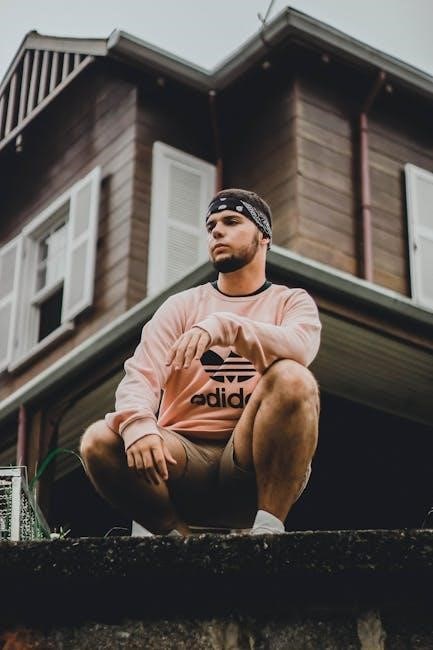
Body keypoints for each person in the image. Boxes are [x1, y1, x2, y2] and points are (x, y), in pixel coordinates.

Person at [80, 188, 321, 536]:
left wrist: (225, 327)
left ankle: (268, 533)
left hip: (251, 468)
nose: (217, 231)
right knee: (99, 440)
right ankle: (175, 537)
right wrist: (137, 426)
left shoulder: (291, 302)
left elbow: (300, 349)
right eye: (211, 226)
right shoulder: (181, 306)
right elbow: (141, 376)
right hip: (180, 463)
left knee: (294, 378)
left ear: (264, 236)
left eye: (231, 221)